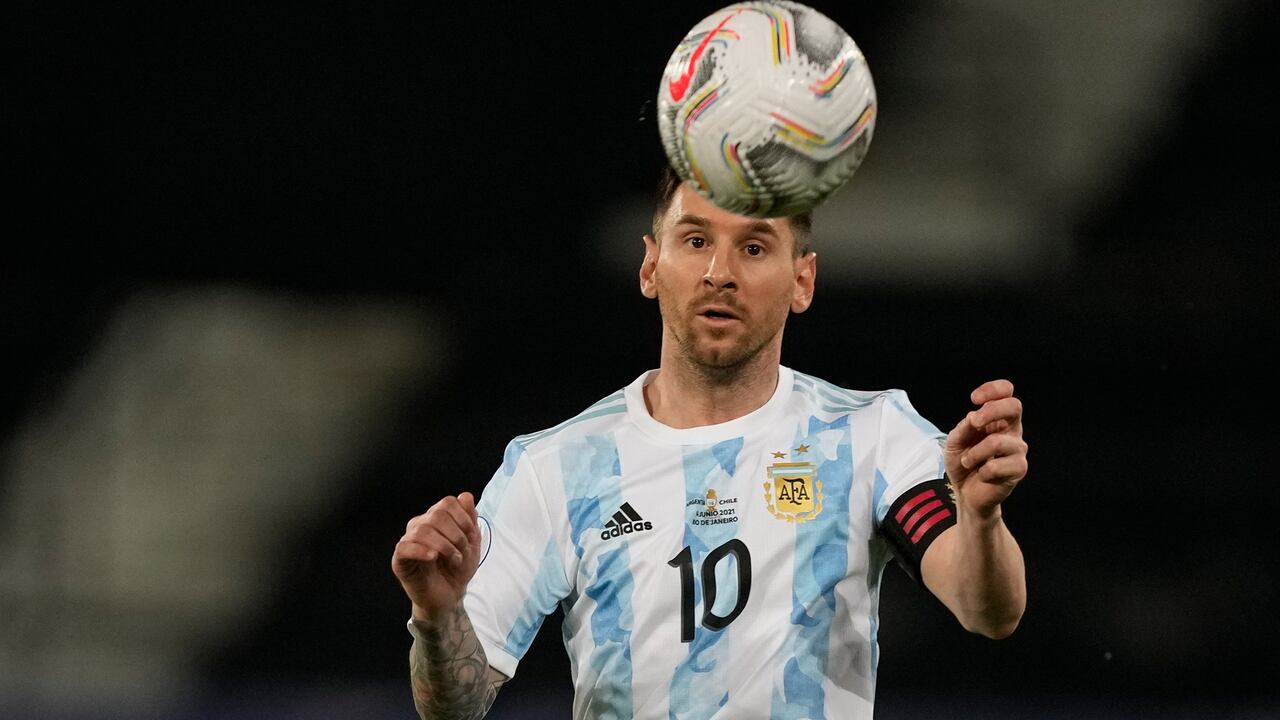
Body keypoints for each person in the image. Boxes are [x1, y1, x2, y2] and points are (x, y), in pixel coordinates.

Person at [391, 166, 1028, 720]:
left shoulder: (871, 437)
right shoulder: (556, 467)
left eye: (754, 248)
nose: (719, 273)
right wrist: (436, 616)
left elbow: (986, 609)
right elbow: (454, 703)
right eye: (695, 241)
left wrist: (980, 517)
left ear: (802, 281)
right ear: (650, 264)